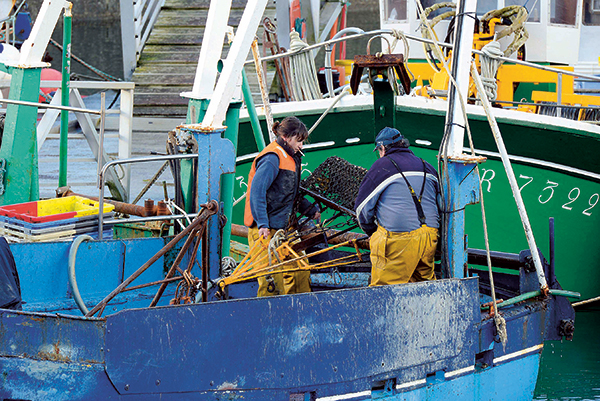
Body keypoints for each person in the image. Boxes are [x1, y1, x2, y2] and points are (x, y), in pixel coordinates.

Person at [354, 127, 441, 286]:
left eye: (378, 151)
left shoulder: (382, 165)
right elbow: (441, 203)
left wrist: (372, 232)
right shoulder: (426, 166)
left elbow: (362, 209)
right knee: (425, 288)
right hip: (429, 237)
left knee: (384, 292)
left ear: (382, 148)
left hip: (399, 240)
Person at [244, 116, 316, 297]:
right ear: (286, 138)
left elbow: (291, 192)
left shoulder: (291, 158)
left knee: (300, 269)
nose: (301, 146)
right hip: (265, 229)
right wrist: (262, 224)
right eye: (298, 141)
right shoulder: (271, 158)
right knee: (271, 281)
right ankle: (271, 319)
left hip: (285, 227)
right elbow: (257, 192)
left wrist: (311, 210)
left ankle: (299, 311)